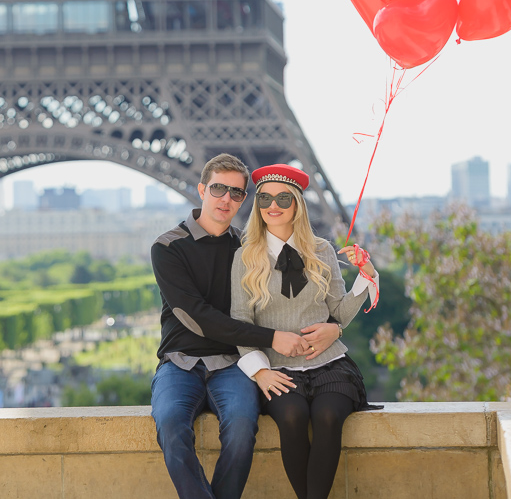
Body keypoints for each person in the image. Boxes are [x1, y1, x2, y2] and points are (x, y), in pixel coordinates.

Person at [150, 153, 341, 499]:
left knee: (241, 429)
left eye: (236, 192)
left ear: (243, 200)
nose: (226, 199)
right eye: (218, 189)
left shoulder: (251, 249)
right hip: (180, 361)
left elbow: (298, 298)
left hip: (234, 363)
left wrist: (336, 325)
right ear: (202, 190)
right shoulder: (168, 247)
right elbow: (197, 317)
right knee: (170, 426)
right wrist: (272, 338)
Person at [230, 163, 381, 499]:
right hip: (277, 369)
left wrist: (366, 274)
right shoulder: (244, 257)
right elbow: (240, 322)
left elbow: (339, 312)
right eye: (265, 198)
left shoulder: (322, 250)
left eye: (283, 198)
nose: (273, 206)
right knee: (292, 416)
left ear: (297, 204)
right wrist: (260, 373)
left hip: (329, 365)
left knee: (328, 416)